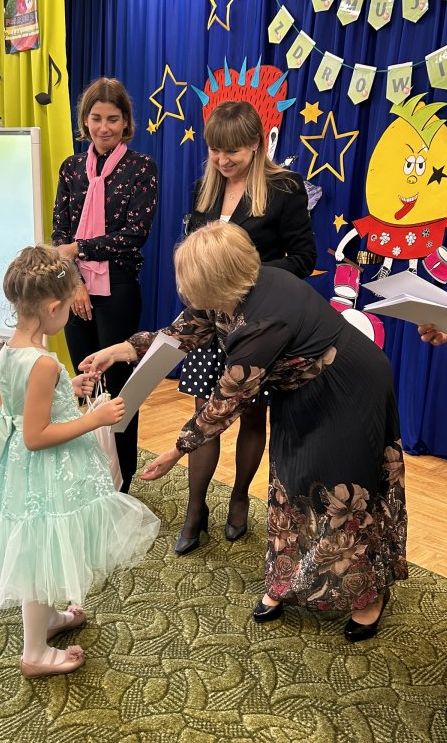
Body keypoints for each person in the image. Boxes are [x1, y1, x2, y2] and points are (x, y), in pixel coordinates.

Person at [81, 223, 408, 642]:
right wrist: (119, 350)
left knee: (346, 492)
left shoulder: (262, 322)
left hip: (349, 387)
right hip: (302, 387)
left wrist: (177, 450)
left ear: (217, 279)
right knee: (292, 481)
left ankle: (367, 595)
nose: (183, 291)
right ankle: (288, 579)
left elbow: (226, 401)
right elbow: (180, 334)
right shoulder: (231, 289)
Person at [0, 246, 160, 678]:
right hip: (44, 469)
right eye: (67, 307)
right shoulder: (43, 362)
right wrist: (95, 418)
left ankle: (47, 619)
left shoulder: (12, 349)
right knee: (41, 552)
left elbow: (30, 404)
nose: (69, 314)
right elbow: (36, 436)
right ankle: (35, 653)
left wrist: (74, 387)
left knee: (42, 547)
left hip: (18, 469)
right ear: (52, 308)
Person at [177, 100, 316, 554]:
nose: (222, 160)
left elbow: (304, 259)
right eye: (215, 150)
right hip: (209, 323)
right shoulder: (204, 189)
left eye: (232, 151)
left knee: (252, 416)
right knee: (206, 414)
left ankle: (239, 499)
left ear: (256, 144)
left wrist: (247, 277)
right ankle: (195, 509)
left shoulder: (285, 188)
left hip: (258, 329)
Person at [52, 77, 158, 495]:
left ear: (126, 122)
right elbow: (59, 233)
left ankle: (121, 482)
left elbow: (133, 236)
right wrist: (75, 281)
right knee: (84, 382)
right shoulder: (71, 168)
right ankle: (87, 473)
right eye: (96, 118)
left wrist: (78, 249)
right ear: (85, 120)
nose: (104, 127)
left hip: (119, 287)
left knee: (118, 387)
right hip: (74, 290)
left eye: (113, 119)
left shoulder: (141, 168)